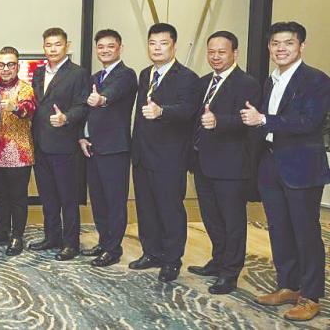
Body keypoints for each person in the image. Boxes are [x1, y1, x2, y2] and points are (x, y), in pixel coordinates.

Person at [242, 21, 328, 321]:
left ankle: (310, 295)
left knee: (305, 232)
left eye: (288, 43)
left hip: (301, 166)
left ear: (301, 46)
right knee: (279, 230)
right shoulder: (271, 80)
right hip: (271, 164)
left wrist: (264, 120)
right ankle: (289, 286)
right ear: (269, 48)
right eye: (276, 43)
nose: (281, 48)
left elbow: (310, 122)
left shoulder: (316, 80)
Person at [187, 31, 261, 295]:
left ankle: (230, 272)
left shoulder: (247, 83)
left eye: (222, 52)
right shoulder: (204, 82)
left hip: (231, 165)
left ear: (235, 53)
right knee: (211, 218)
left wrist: (220, 121)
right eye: (211, 52)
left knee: (232, 221)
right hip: (204, 162)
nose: (216, 56)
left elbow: (250, 121)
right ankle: (218, 261)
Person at [129, 23, 201, 283]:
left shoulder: (187, 77)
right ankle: (152, 252)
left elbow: (188, 110)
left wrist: (163, 111)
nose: (157, 48)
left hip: (169, 157)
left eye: (163, 43)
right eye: (152, 43)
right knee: (146, 208)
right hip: (142, 155)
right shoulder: (145, 74)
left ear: (174, 46)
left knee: (170, 210)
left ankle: (172, 260)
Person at [78, 29, 137, 268]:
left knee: (114, 201)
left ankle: (114, 249)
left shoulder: (126, 75)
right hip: (93, 147)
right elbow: (86, 111)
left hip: (115, 149)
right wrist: (82, 137)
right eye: (101, 47)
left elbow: (109, 96)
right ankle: (104, 242)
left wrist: (101, 99)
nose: (105, 50)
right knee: (99, 200)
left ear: (120, 47)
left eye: (110, 46)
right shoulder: (95, 77)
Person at [29, 28, 89, 261]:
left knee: (68, 198)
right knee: (48, 196)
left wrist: (66, 118)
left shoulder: (78, 73)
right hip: (40, 144)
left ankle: (70, 243)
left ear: (67, 46)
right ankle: (51, 236)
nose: (52, 49)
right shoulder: (38, 73)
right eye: (48, 45)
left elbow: (83, 106)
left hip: (65, 145)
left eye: (57, 44)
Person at [0, 46, 36, 257]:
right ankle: (1, 229)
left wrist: (15, 107)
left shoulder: (25, 88)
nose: (5, 69)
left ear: (17, 66)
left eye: (10, 64)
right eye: (1, 64)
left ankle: (17, 235)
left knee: (18, 197)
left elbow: (29, 109)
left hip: (18, 153)